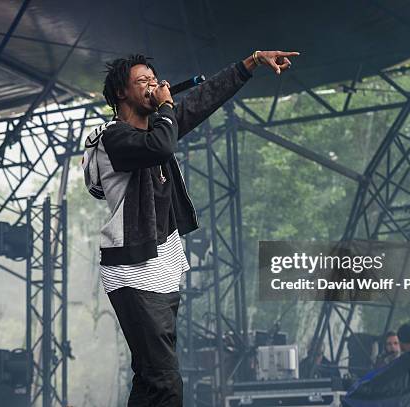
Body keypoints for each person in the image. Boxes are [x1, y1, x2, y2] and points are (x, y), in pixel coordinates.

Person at [86, 50, 298, 406]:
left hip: (162, 268)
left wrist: (251, 62)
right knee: (166, 383)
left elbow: (201, 101)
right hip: (133, 272)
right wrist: (167, 107)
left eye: (155, 81)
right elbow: (160, 145)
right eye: (143, 82)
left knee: (151, 380)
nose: (153, 87)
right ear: (122, 93)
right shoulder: (114, 137)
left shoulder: (155, 129)